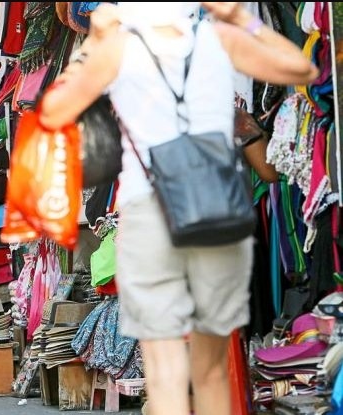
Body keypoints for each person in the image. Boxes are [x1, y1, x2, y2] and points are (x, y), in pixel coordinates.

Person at [39, 3, 318, 415]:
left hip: (149, 213)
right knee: (211, 371)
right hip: (218, 209)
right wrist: (244, 19)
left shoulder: (118, 46)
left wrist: (92, 46)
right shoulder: (220, 38)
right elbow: (302, 69)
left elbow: (53, 111)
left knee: (165, 371)